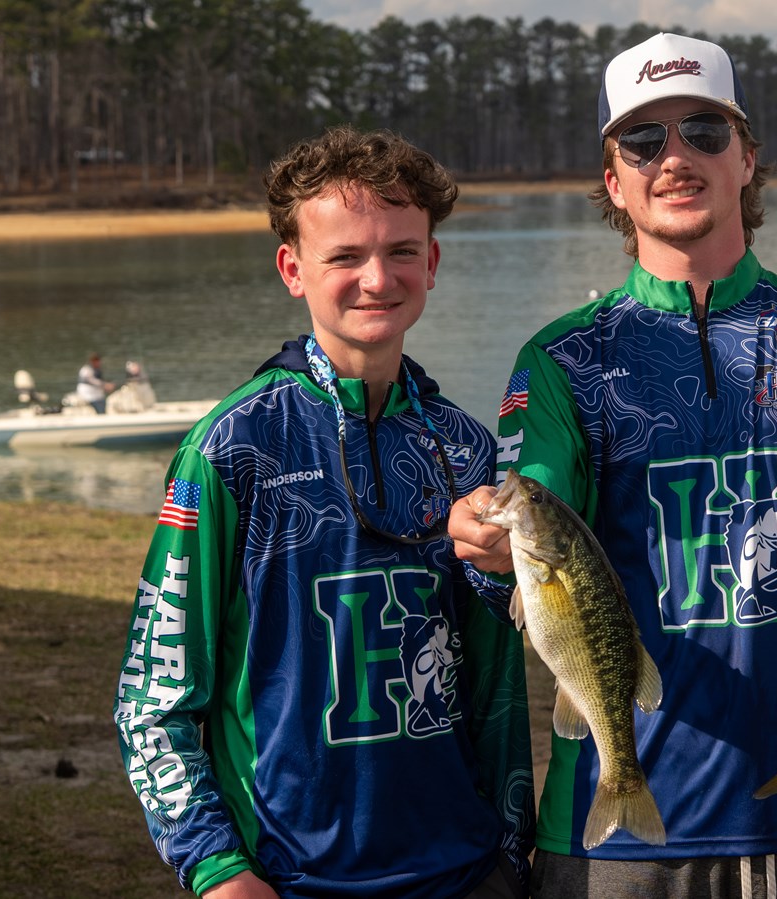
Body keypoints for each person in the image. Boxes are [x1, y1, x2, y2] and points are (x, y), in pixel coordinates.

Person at [450, 32, 777, 899]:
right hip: (617, 831)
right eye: (643, 140)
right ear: (614, 177)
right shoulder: (561, 360)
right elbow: (532, 512)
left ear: (747, 157)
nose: (675, 158)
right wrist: (482, 539)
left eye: (703, 130)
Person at [113, 127, 533, 899]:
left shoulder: (469, 452)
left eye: (403, 251)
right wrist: (218, 870)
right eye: (345, 256)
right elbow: (153, 700)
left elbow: (498, 691)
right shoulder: (231, 450)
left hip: (465, 873)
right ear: (293, 268)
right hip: (292, 879)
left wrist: (512, 853)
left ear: (432, 263)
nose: (377, 278)